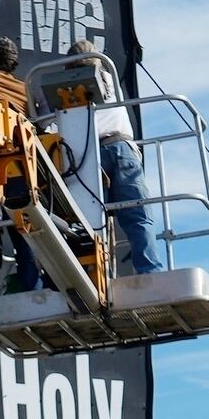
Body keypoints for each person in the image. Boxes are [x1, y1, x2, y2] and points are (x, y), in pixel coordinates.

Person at [66, 36, 158, 275]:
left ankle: (101, 277)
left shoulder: (63, 88)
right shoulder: (110, 78)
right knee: (138, 217)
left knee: (95, 222)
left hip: (90, 156)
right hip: (122, 148)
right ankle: (150, 271)